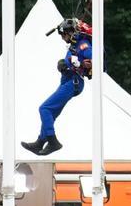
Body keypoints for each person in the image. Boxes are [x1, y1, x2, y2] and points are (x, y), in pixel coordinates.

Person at [22, 18, 93, 156]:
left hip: (73, 82)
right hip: (68, 80)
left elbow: (92, 59)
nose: (62, 38)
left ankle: (52, 141)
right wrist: (64, 64)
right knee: (51, 113)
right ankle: (41, 141)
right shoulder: (74, 45)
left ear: (70, 32)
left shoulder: (83, 44)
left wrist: (83, 64)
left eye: (63, 35)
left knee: (45, 108)